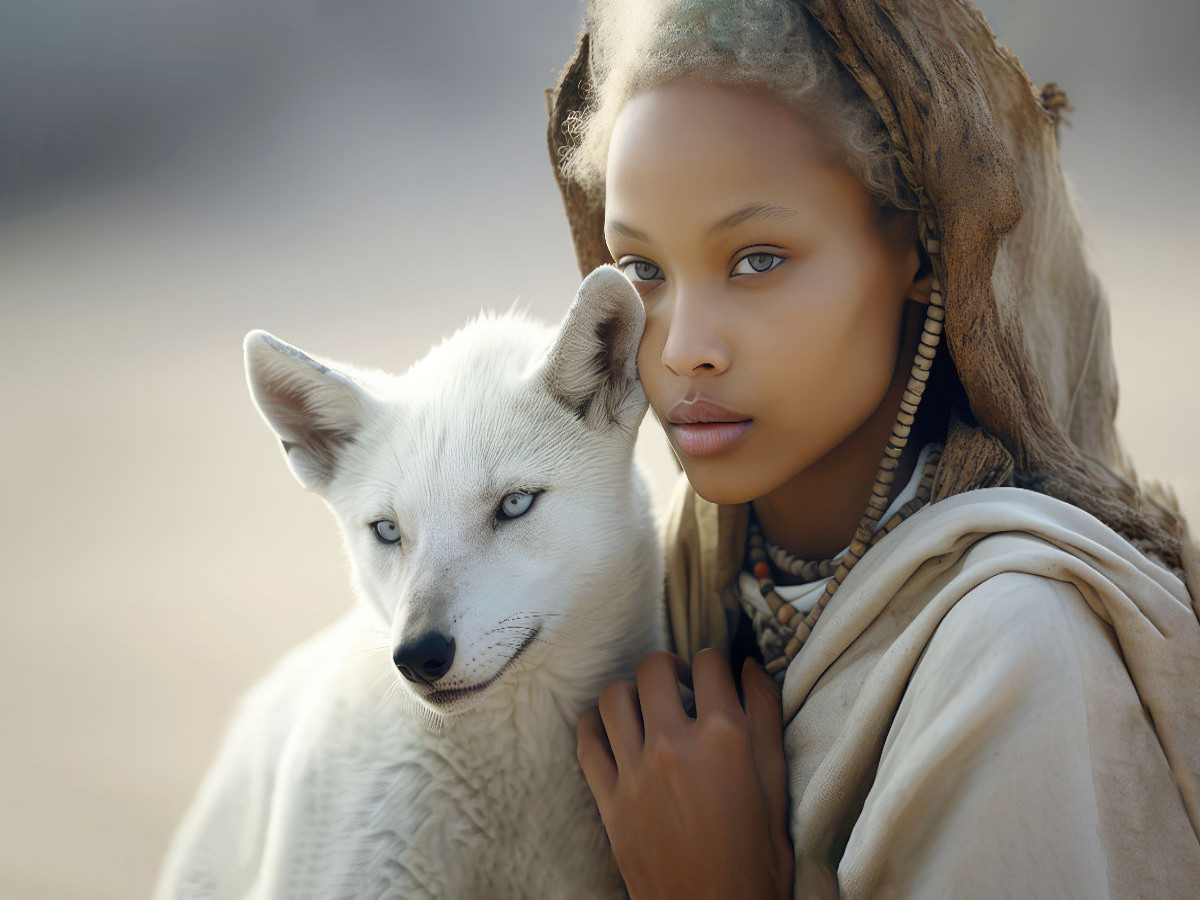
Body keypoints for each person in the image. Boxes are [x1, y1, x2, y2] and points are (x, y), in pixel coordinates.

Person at [544, 1, 1200, 898]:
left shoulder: (1015, 651)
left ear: (925, 247)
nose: (680, 346)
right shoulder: (663, 602)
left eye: (758, 258)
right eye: (641, 270)